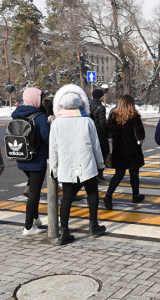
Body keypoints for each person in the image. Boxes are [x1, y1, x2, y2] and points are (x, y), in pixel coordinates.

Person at [50, 84, 106, 245]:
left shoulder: (57, 123)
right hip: (86, 163)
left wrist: (54, 170)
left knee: (67, 198)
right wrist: (100, 164)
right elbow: (96, 145)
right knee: (92, 193)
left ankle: (65, 232)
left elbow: (53, 149)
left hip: (66, 165)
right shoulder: (87, 121)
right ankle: (93, 225)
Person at [11, 88, 50, 236]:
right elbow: (48, 137)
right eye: (41, 98)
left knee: (33, 188)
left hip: (21, 158)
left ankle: (36, 219)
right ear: (35, 99)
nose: (42, 101)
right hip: (37, 160)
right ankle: (28, 227)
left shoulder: (17, 115)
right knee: (34, 192)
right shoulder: (39, 117)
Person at [103, 95, 146, 208]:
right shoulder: (135, 116)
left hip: (118, 150)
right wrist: (140, 141)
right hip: (132, 150)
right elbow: (140, 135)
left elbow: (108, 133)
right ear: (131, 104)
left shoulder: (113, 115)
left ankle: (108, 194)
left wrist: (113, 141)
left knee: (119, 174)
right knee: (134, 173)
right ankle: (135, 195)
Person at [89, 89, 109, 181]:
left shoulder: (87, 105)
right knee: (104, 152)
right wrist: (105, 134)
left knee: (92, 153)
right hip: (99, 134)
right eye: (102, 95)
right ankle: (99, 172)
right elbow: (102, 123)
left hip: (89, 133)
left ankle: (94, 173)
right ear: (100, 96)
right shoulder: (100, 107)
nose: (103, 97)